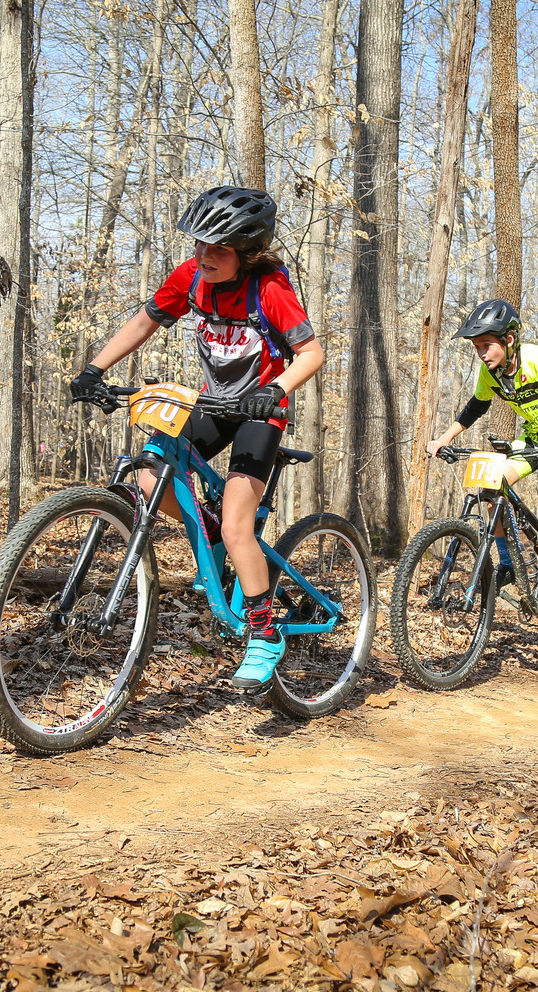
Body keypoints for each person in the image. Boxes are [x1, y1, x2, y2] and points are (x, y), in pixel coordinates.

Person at [70, 186, 324, 689]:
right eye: (199, 244)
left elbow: (312, 353)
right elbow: (145, 320)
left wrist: (274, 390)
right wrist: (94, 369)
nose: (204, 255)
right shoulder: (191, 277)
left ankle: (264, 633)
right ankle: (210, 529)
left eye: (218, 248)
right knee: (149, 473)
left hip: (260, 413)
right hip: (212, 405)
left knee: (237, 525)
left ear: (245, 253)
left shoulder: (269, 289)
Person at [426, 299, 538, 631]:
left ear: (509, 340)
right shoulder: (490, 373)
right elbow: (476, 407)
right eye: (476, 347)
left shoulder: (537, 360)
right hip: (533, 441)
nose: (481, 353)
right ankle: (508, 563)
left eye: (486, 345)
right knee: (491, 483)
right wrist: (444, 438)